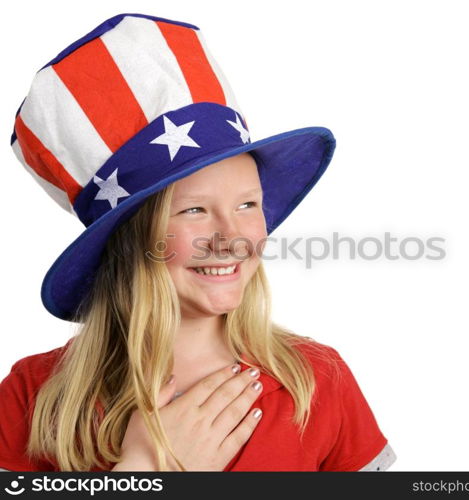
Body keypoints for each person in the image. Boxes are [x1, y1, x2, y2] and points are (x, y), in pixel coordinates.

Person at [0, 13, 396, 472]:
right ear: (127, 239)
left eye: (248, 204)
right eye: (194, 210)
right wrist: (142, 470)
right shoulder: (35, 395)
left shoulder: (316, 379)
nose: (234, 237)